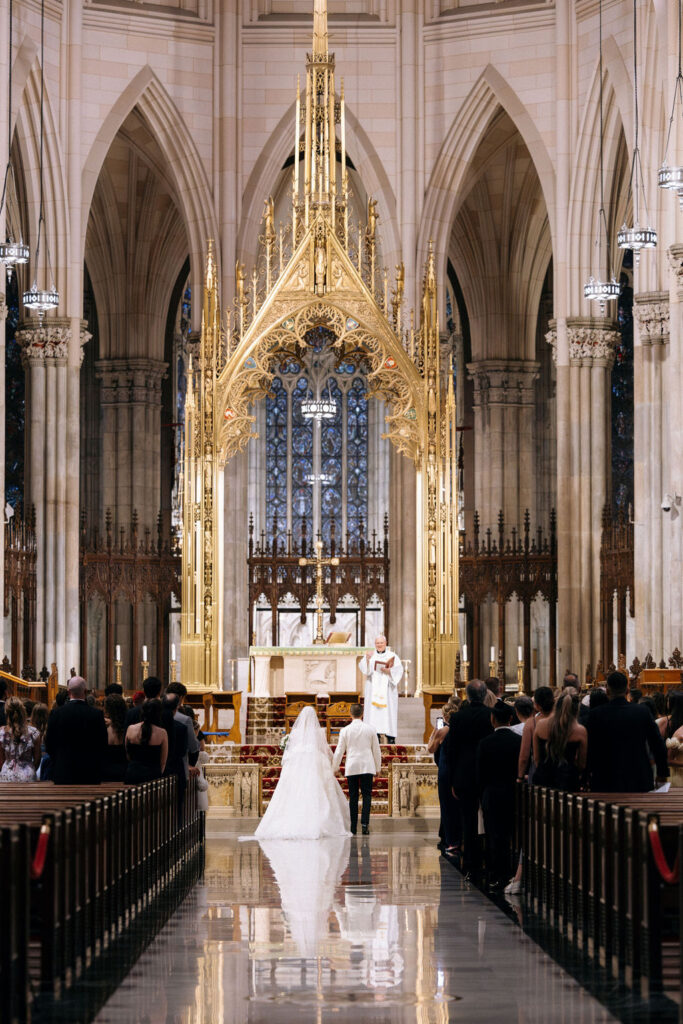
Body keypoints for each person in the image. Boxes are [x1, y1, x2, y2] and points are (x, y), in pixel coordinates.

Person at [251, 706, 350, 840]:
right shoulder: (319, 732)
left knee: (295, 790)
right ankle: (319, 822)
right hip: (315, 760)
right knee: (316, 789)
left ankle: (292, 820)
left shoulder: (295, 733)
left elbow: (288, 754)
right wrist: (332, 763)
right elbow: (325, 750)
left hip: (297, 762)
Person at [587, 671, 668, 792]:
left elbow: (590, 748)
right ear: (627, 690)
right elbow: (657, 743)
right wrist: (662, 773)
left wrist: (587, 774)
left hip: (605, 778)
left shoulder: (595, 714)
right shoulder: (642, 712)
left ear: (607, 691)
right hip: (638, 777)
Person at [444, 679, 493, 876]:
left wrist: (454, 779)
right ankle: (487, 859)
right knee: (488, 817)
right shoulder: (491, 715)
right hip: (487, 772)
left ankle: (470, 860)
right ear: (484, 695)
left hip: (464, 774)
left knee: (468, 818)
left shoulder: (458, 718)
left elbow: (451, 750)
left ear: (467, 695)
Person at [476, 702, 522, 890]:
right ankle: (512, 872)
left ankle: (496, 874)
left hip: (492, 793)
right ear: (511, 719)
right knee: (513, 833)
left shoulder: (485, 743)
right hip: (513, 793)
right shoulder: (518, 741)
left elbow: (480, 774)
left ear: (492, 720)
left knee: (494, 835)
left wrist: (482, 795)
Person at [45, 676, 108, 784]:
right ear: (85, 691)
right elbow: (102, 743)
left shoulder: (56, 713)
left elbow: (49, 743)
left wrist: (59, 759)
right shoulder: (96, 714)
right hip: (89, 772)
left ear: (68, 692)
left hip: (63, 771)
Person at [332, 703, 381, 835]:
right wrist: (378, 767)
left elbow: (339, 751)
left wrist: (335, 767)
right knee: (367, 795)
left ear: (350, 714)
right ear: (362, 714)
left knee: (353, 797)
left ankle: (353, 827)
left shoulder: (345, 730)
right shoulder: (370, 729)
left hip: (352, 766)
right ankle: (365, 824)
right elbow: (376, 750)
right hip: (367, 765)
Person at [533, 690, 587, 792]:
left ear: (555, 707)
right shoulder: (580, 730)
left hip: (543, 777)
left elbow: (536, 758)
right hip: (568, 779)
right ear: (576, 710)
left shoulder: (541, 724)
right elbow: (582, 764)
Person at [428, 696, 461, 855]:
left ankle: (450, 840)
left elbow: (431, 749)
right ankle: (457, 839)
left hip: (445, 769)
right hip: (457, 769)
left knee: (446, 806)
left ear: (445, 716)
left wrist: (434, 733)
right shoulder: (458, 729)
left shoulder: (443, 730)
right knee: (456, 806)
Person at [359, 635, 403, 744]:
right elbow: (365, 671)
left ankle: (391, 737)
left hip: (387, 690)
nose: (379, 645)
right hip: (373, 688)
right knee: (373, 713)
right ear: (375, 644)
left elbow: (398, 670)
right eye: (377, 643)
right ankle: (375, 736)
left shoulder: (393, 656)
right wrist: (368, 660)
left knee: (389, 713)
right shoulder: (370, 655)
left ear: (385, 643)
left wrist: (389, 671)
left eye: (381, 643)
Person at [124, 699, 168, 783]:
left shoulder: (131, 729)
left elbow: (127, 754)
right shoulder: (162, 733)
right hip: (153, 775)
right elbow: (163, 762)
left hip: (133, 773)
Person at [517, 685, 554, 782]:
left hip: (540, 769)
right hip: (561, 769)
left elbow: (524, 755)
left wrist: (520, 776)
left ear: (536, 705)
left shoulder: (531, 723)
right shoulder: (562, 721)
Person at [0, 697, 41, 781]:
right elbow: (37, 759)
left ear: (7, 713)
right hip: (27, 776)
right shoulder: (33, 732)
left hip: (7, 775)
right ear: (23, 712)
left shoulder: (2, 733)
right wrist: (30, 770)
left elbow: (1, 759)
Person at [103, 693, 128, 781]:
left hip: (105, 772)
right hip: (124, 771)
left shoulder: (104, 729)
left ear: (107, 710)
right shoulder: (128, 729)